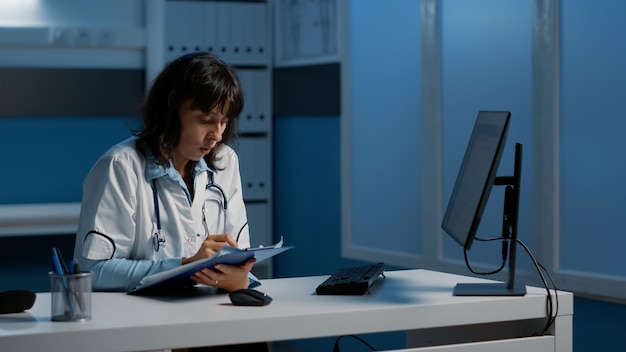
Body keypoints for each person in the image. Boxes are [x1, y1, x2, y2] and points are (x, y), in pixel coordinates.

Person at [73, 52, 256, 293]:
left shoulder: (225, 161)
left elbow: (241, 259)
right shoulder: (120, 166)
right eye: (205, 119)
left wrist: (240, 280)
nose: (218, 134)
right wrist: (184, 267)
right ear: (171, 112)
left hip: (211, 313)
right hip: (142, 320)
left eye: (224, 121)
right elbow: (93, 271)